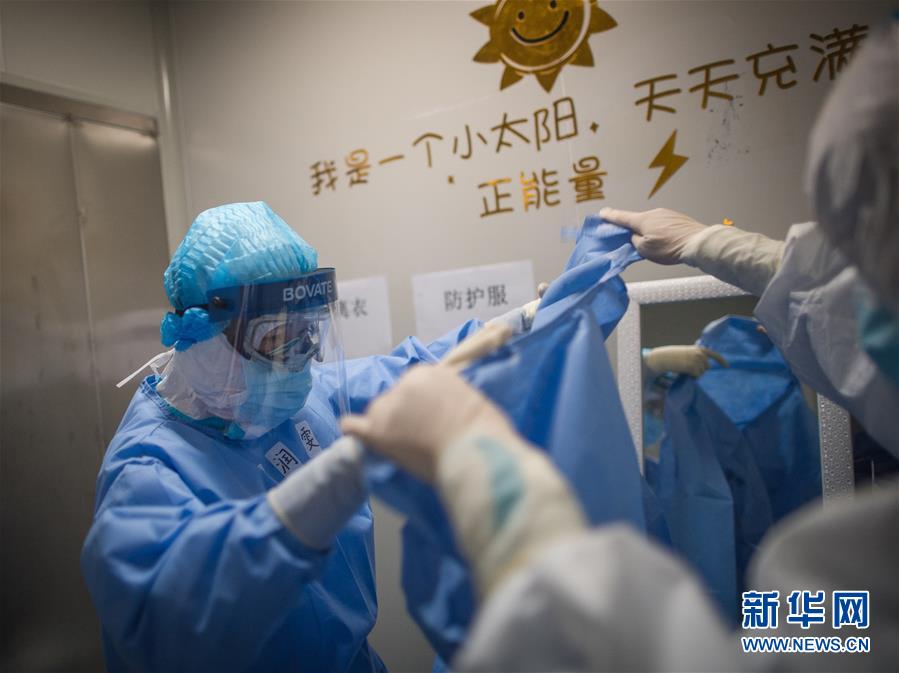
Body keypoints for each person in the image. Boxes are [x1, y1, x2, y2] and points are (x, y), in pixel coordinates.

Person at [342, 20, 898, 673]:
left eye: (866, 269)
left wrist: (509, 508)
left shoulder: (850, 574)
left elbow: (715, 655)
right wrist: (720, 247)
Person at [81, 201, 516, 672]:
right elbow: (171, 621)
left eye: (307, 331)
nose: (298, 356)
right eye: (275, 338)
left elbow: (419, 374)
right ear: (201, 334)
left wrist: (529, 323)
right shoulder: (147, 468)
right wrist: (306, 509)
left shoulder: (296, 397)